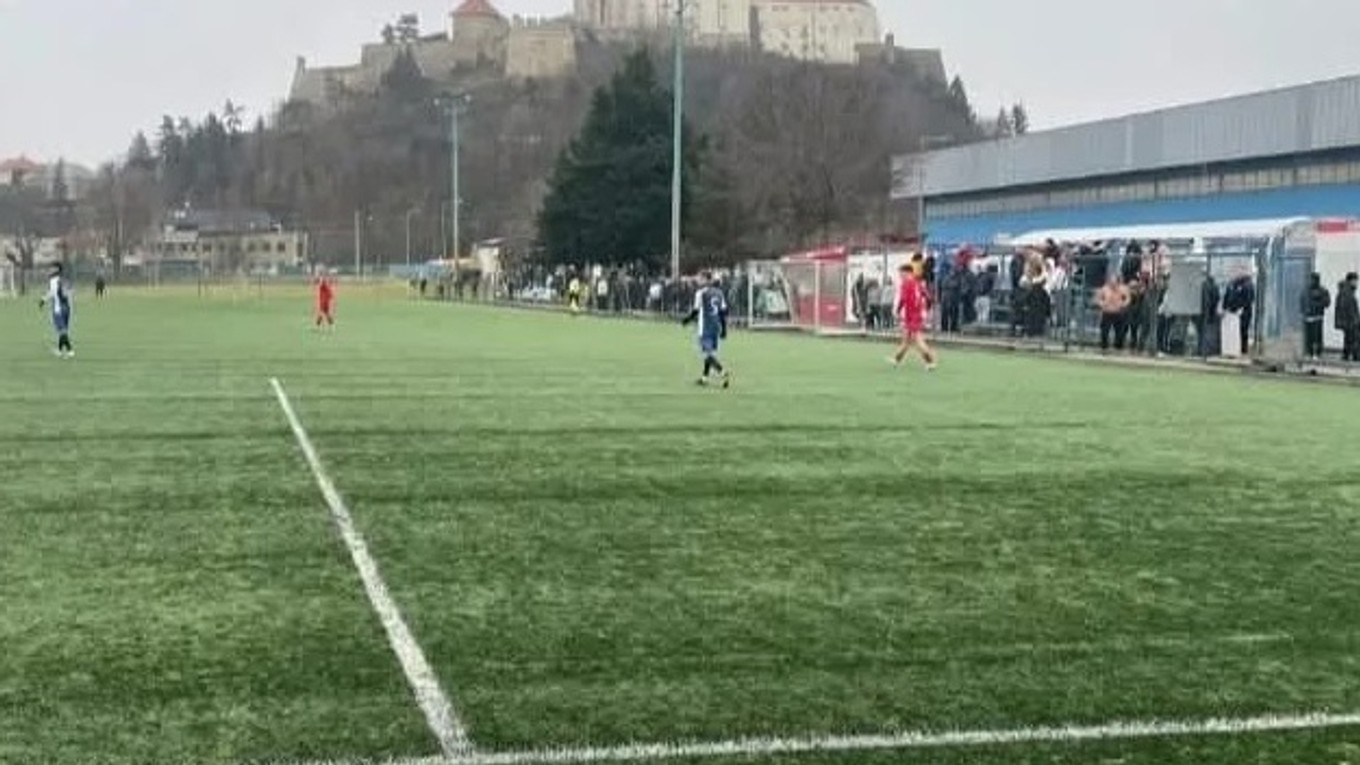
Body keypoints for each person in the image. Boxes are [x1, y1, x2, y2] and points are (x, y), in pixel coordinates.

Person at [681, 271, 731, 388]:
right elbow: (723, 312)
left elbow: (695, 311)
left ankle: (723, 372)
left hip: (705, 328)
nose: (698, 280)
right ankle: (704, 379)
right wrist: (724, 329)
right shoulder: (719, 293)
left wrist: (686, 321)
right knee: (710, 354)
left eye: (700, 278)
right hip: (716, 327)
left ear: (706, 279)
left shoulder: (701, 293)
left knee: (707, 355)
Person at [889, 261, 937, 370]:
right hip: (916, 315)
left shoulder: (906, 284)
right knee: (906, 339)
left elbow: (903, 299)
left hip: (912, 316)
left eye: (901, 274)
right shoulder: (918, 283)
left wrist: (897, 311)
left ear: (908, 273)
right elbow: (928, 297)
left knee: (917, 339)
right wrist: (926, 309)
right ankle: (897, 360)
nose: (900, 276)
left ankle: (930, 362)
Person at [39, 263, 75, 358]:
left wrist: (43, 300)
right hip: (67, 308)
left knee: (62, 331)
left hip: (58, 309)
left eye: (51, 268)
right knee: (63, 331)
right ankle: (59, 350)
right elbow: (71, 291)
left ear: (56, 269)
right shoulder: (65, 279)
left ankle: (70, 350)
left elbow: (52, 293)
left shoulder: (53, 280)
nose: (50, 270)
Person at [1223, 273, 1256, 356]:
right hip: (1235, 311)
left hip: (1242, 311)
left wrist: (1241, 308)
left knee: (1242, 331)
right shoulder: (1233, 284)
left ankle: (1242, 350)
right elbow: (1228, 297)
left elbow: (1249, 299)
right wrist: (1226, 307)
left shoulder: (1246, 285)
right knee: (1237, 331)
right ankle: (1235, 349)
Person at [1095, 275, 1130, 352]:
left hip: (1118, 313)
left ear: (1118, 282)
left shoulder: (1123, 289)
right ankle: (1104, 347)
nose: (1113, 285)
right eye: (1111, 282)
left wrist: (1122, 304)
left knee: (1120, 332)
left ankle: (1118, 347)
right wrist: (1103, 303)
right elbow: (1097, 299)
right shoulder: (1104, 289)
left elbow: (1127, 299)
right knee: (1104, 331)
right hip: (1107, 312)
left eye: (1114, 283)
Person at [1302, 272, 1332, 360]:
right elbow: (1302, 301)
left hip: (1318, 317)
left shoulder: (1322, 291)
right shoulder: (1306, 290)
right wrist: (1304, 311)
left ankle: (1317, 353)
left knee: (1317, 337)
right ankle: (1309, 352)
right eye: (1311, 279)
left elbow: (1327, 303)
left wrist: (1317, 304)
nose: (1312, 281)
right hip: (1308, 317)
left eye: (1314, 279)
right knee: (1309, 336)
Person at [1336, 273, 1360, 362]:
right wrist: (1355, 320)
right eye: (1356, 281)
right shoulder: (1347, 292)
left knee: (1349, 339)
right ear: (1351, 281)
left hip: (1349, 321)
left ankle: (1346, 355)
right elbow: (1348, 309)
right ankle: (1355, 356)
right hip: (1350, 321)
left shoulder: (1347, 291)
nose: (1357, 283)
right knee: (1353, 339)